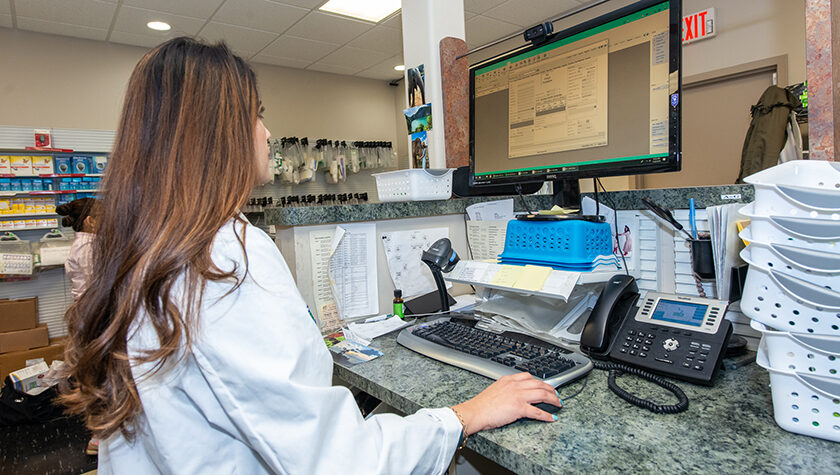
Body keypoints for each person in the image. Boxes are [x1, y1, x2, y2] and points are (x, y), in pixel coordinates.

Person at [58, 38, 562, 474]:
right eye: (256, 114)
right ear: (216, 132)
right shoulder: (225, 257)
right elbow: (339, 461)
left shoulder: (144, 249)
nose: (268, 133)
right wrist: (466, 414)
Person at [56, 197, 102, 456]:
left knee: (94, 373)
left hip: (86, 314)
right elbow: (100, 286)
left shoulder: (83, 245)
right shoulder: (89, 248)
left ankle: (99, 433)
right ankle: (98, 436)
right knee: (99, 374)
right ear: (90, 221)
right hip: (93, 316)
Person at [56, 198, 99, 300]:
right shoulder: (86, 246)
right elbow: (95, 281)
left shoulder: (88, 243)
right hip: (90, 304)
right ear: (91, 221)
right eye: (103, 217)